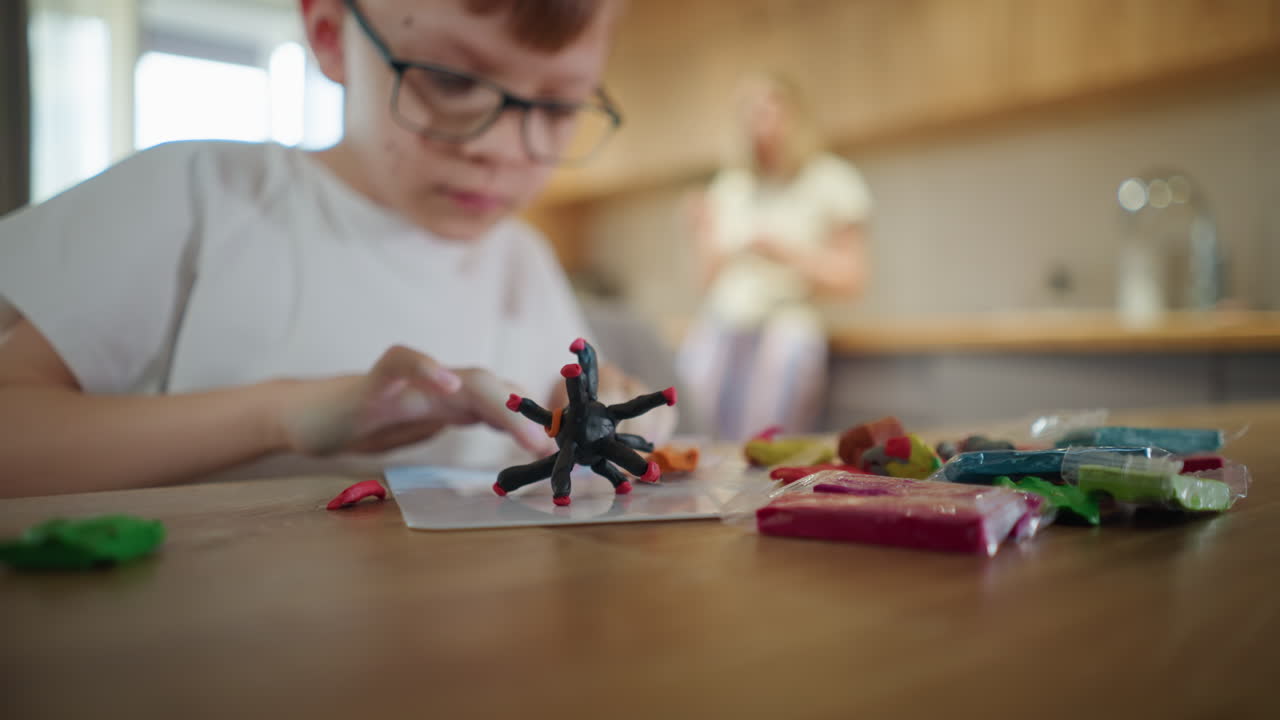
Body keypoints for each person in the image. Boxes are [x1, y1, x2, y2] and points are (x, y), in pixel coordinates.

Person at [0, 0, 670, 498]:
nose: (498, 148)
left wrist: (598, 407)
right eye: (451, 79)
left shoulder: (523, 258)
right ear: (329, 34)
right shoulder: (200, 198)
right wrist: (281, 415)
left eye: (557, 109)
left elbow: (558, 412)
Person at [677, 72, 871, 442]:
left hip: (786, 320)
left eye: (770, 108)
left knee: (763, 434)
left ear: (795, 115)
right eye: (750, 112)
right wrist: (699, 232)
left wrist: (785, 253)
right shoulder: (730, 186)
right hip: (725, 322)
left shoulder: (831, 180)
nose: (760, 121)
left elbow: (853, 278)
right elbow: (704, 281)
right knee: (693, 422)